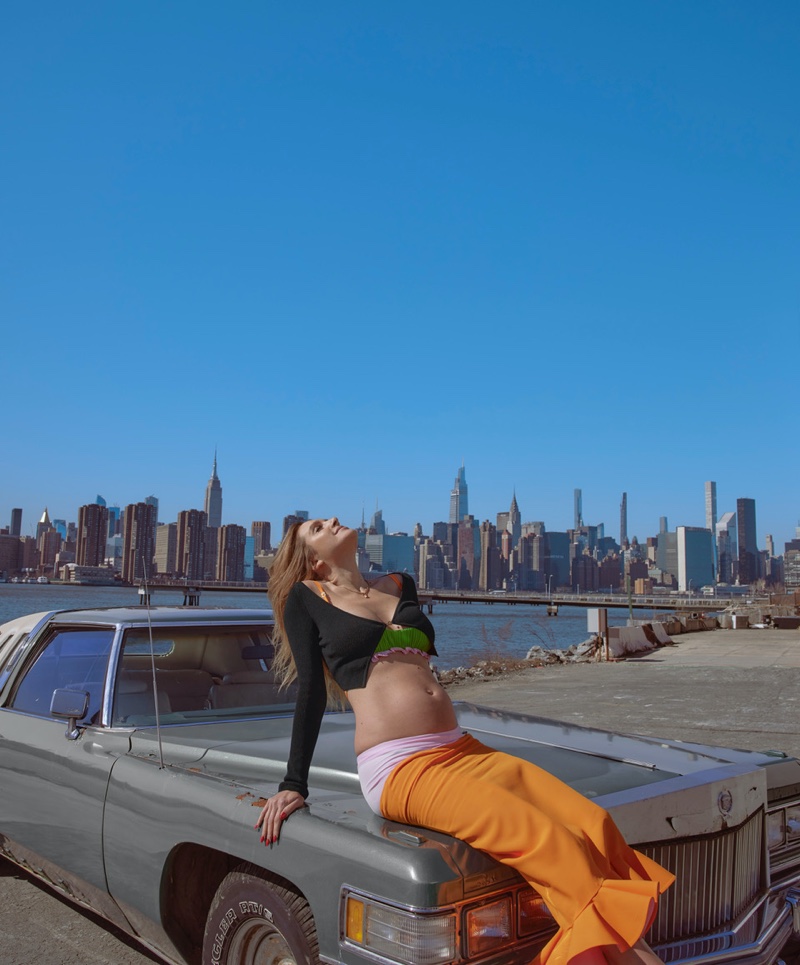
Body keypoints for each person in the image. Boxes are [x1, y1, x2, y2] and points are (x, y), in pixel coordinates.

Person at [256, 517, 674, 965]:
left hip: (461, 748)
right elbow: (311, 692)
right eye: (319, 527)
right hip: (402, 768)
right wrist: (293, 783)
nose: (333, 521)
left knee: (590, 822)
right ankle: (637, 957)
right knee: (546, 839)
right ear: (315, 562)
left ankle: (611, 947)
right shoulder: (308, 598)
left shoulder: (400, 584)